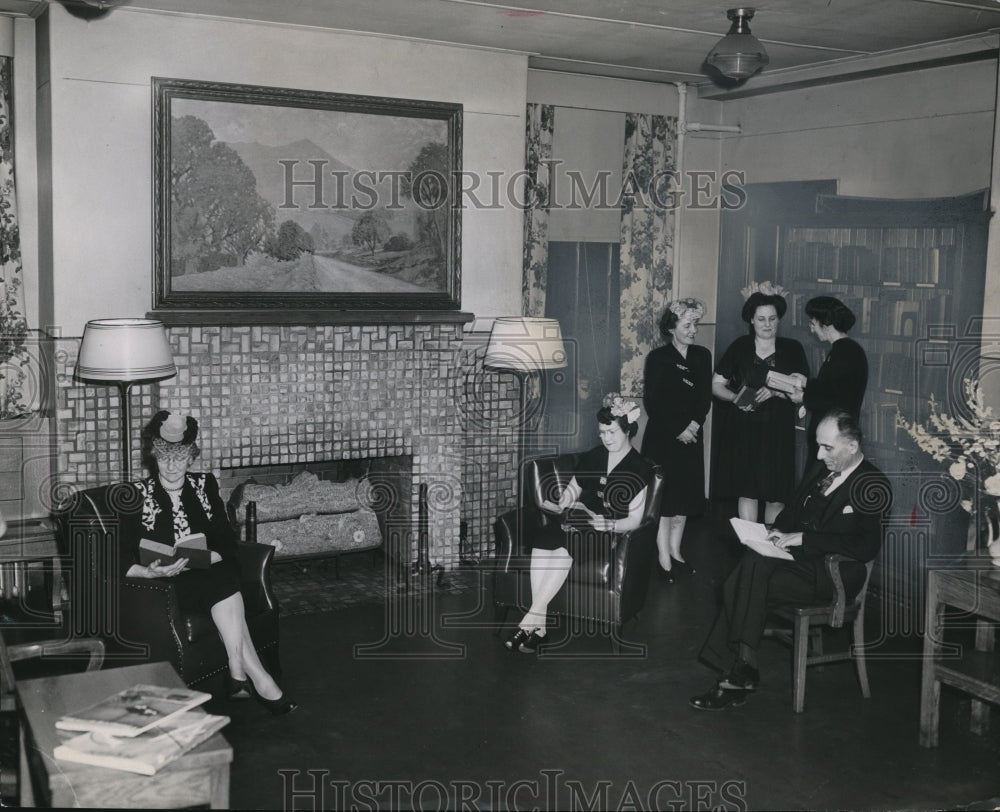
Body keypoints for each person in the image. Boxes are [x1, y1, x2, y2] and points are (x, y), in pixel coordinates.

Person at [689, 410, 892, 711]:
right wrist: (775, 532)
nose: (820, 455)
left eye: (827, 448)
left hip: (836, 572)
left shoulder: (873, 484)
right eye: (817, 446)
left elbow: (865, 546)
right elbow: (791, 512)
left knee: (744, 578)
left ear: (852, 446)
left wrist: (804, 539)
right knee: (753, 564)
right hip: (797, 562)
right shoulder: (821, 471)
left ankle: (738, 669)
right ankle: (740, 670)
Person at [119, 410, 298, 715]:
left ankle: (245, 675)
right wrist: (149, 571)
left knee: (220, 575)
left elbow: (225, 539)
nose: (172, 465)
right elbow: (122, 552)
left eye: (180, 457)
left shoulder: (205, 485)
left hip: (207, 568)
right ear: (154, 458)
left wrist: (208, 555)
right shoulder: (137, 494)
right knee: (223, 583)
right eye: (164, 458)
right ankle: (251, 676)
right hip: (166, 581)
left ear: (191, 457)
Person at [504, 393, 654, 654]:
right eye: (602, 433)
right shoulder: (596, 455)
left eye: (611, 432)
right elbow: (574, 488)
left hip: (608, 530)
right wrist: (563, 502)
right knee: (544, 539)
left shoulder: (639, 468)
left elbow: (635, 520)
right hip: (580, 519)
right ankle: (538, 629)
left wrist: (606, 525)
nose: (606, 438)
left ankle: (529, 622)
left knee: (564, 547)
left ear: (627, 431)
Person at [712, 283, 809, 524]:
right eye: (761, 319)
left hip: (778, 429)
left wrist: (776, 391)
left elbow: (802, 386)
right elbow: (716, 384)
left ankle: (767, 551)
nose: (767, 324)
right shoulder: (740, 346)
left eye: (772, 319)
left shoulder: (792, 349)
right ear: (751, 321)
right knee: (748, 490)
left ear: (779, 320)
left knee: (776, 493)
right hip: (745, 429)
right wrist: (735, 398)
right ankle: (750, 549)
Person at [641, 298, 712, 581]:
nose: (693, 330)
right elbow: (653, 402)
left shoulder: (702, 356)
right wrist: (678, 429)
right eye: (687, 324)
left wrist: (693, 424)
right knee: (667, 502)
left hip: (692, 435)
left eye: (695, 324)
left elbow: (704, 396)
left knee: (684, 499)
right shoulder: (658, 359)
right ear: (672, 328)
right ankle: (662, 557)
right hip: (665, 438)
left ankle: (676, 551)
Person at [789, 296, 868, 462]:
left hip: (836, 438)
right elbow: (831, 387)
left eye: (812, 323)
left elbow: (836, 399)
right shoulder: (844, 349)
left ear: (825, 324)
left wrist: (803, 397)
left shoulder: (845, 352)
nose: (812, 330)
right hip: (834, 434)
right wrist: (805, 382)